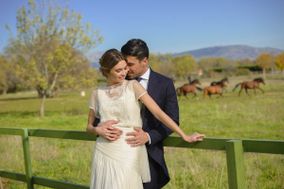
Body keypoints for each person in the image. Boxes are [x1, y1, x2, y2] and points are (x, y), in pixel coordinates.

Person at [86, 48, 204, 189]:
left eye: (125, 68)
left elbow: (158, 113)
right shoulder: (97, 93)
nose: (124, 73)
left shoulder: (133, 86)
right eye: (118, 70)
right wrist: (98, 130)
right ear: (106, 71)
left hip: (129, 148)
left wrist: (185, 136)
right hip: (104, 150)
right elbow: (89, 127)